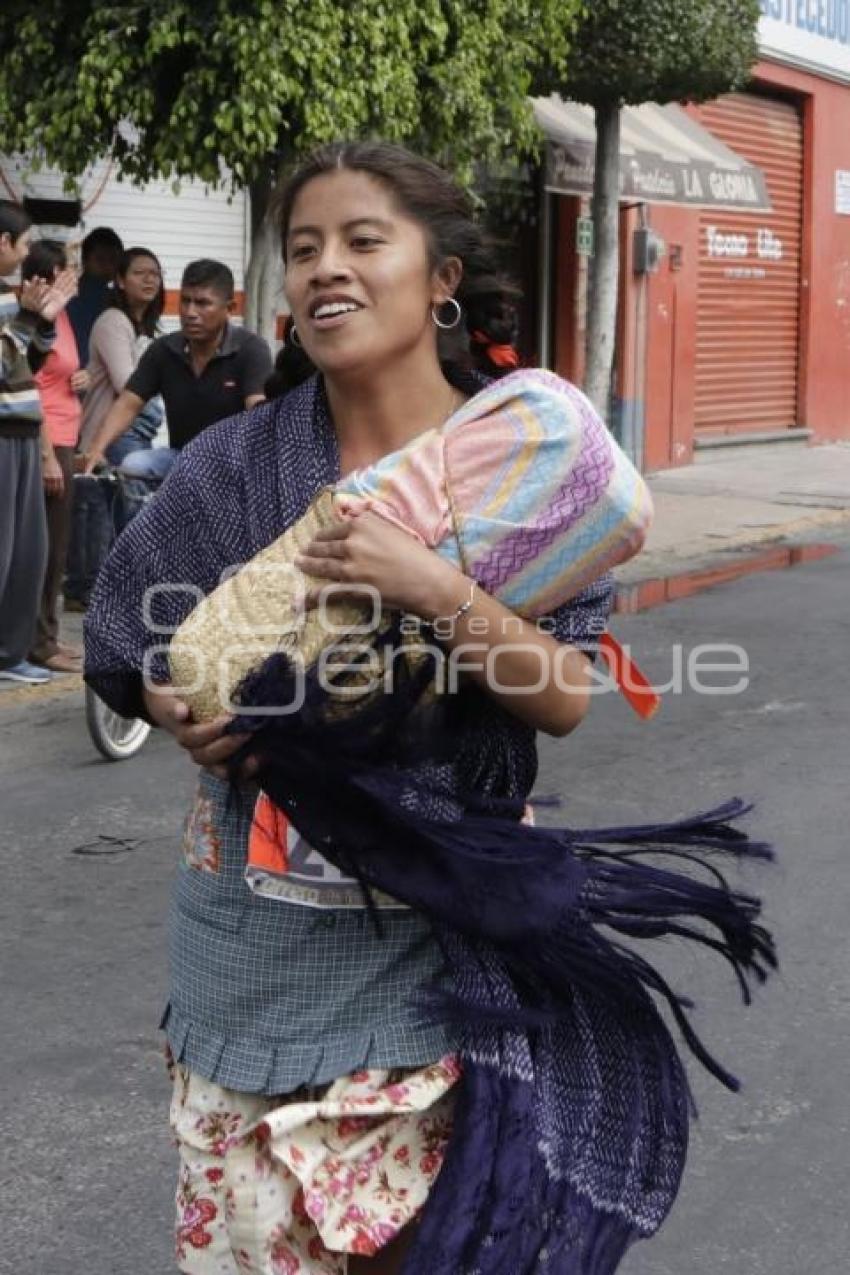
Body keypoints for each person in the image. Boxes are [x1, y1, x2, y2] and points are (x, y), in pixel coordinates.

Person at [84, 144, 771, 1275]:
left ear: (439, 277)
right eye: (303, 250)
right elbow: (127, 637)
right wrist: (167, 704)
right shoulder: (237, 468)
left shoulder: (533, 465)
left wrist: (436, 588)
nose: (325, 270)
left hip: (436, 955)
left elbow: (563, 695)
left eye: (363, 241)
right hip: (247, 955)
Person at [84, 258, 272, 479]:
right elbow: (128, 403)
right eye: (185, 301)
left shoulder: (251, 349)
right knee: (133, 464)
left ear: (229, 308)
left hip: (234, 463)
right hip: (181, 457)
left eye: (203, 303)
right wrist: (96, 449)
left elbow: (259, 412)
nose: (190, 312)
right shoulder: (164, 350)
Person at [64, 247, 166, 610]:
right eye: (140, 273)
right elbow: (129, 382)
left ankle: (104, 591)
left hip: (132, 432)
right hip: (111, 432)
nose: (150, 279)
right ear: (120, 281)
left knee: (118, 514)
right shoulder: (112, 320)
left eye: (155, 273)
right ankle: (97, 592)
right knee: (117, 516)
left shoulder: (146, 328)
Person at [0, 201, 76, 686]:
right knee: (5, 550)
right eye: (24, 244)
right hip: (4, 436)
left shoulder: (11, 299)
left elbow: (27, 361)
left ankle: (11, 655)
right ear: (3, 244)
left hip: (24, 433)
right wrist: (30, 320)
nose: (27, 254)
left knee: (29, 551)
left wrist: (44, 321)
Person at [19, 240, 88, 673]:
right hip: (50, 440)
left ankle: (46, 634)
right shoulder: (39, 317)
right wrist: (46, 454)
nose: (77, 275)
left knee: (56, 547)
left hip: (67, 434)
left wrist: (79, 380)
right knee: (48, 547)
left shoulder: (61, 317)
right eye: (71, 268)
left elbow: (59, 377)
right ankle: (38, 642)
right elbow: (32, 388)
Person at [66, 225, 123, 368]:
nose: (108, 266)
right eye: (100, 260)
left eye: (113, 260)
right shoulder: (72, 294)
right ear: (84, 261)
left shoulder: (115, 295)